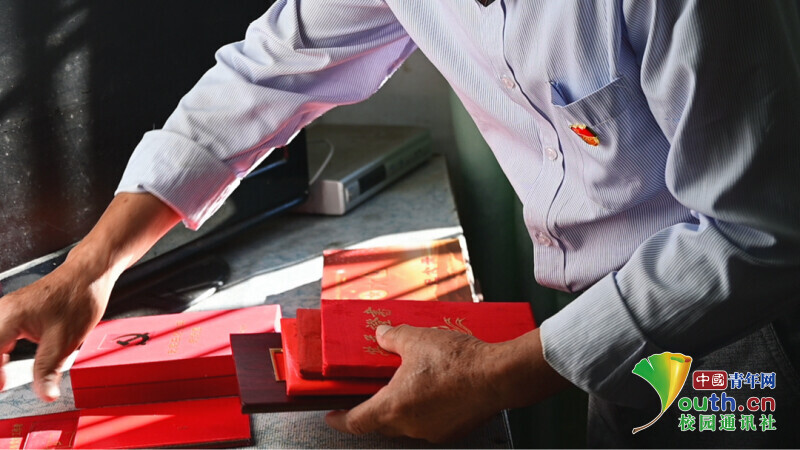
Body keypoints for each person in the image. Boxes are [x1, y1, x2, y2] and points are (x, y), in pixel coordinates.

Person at [1, 0, 798, 446]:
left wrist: (497, 376)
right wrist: (87, 268)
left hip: (750, 353)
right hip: (612, 335)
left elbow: (760, 234)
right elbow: (267, 76)